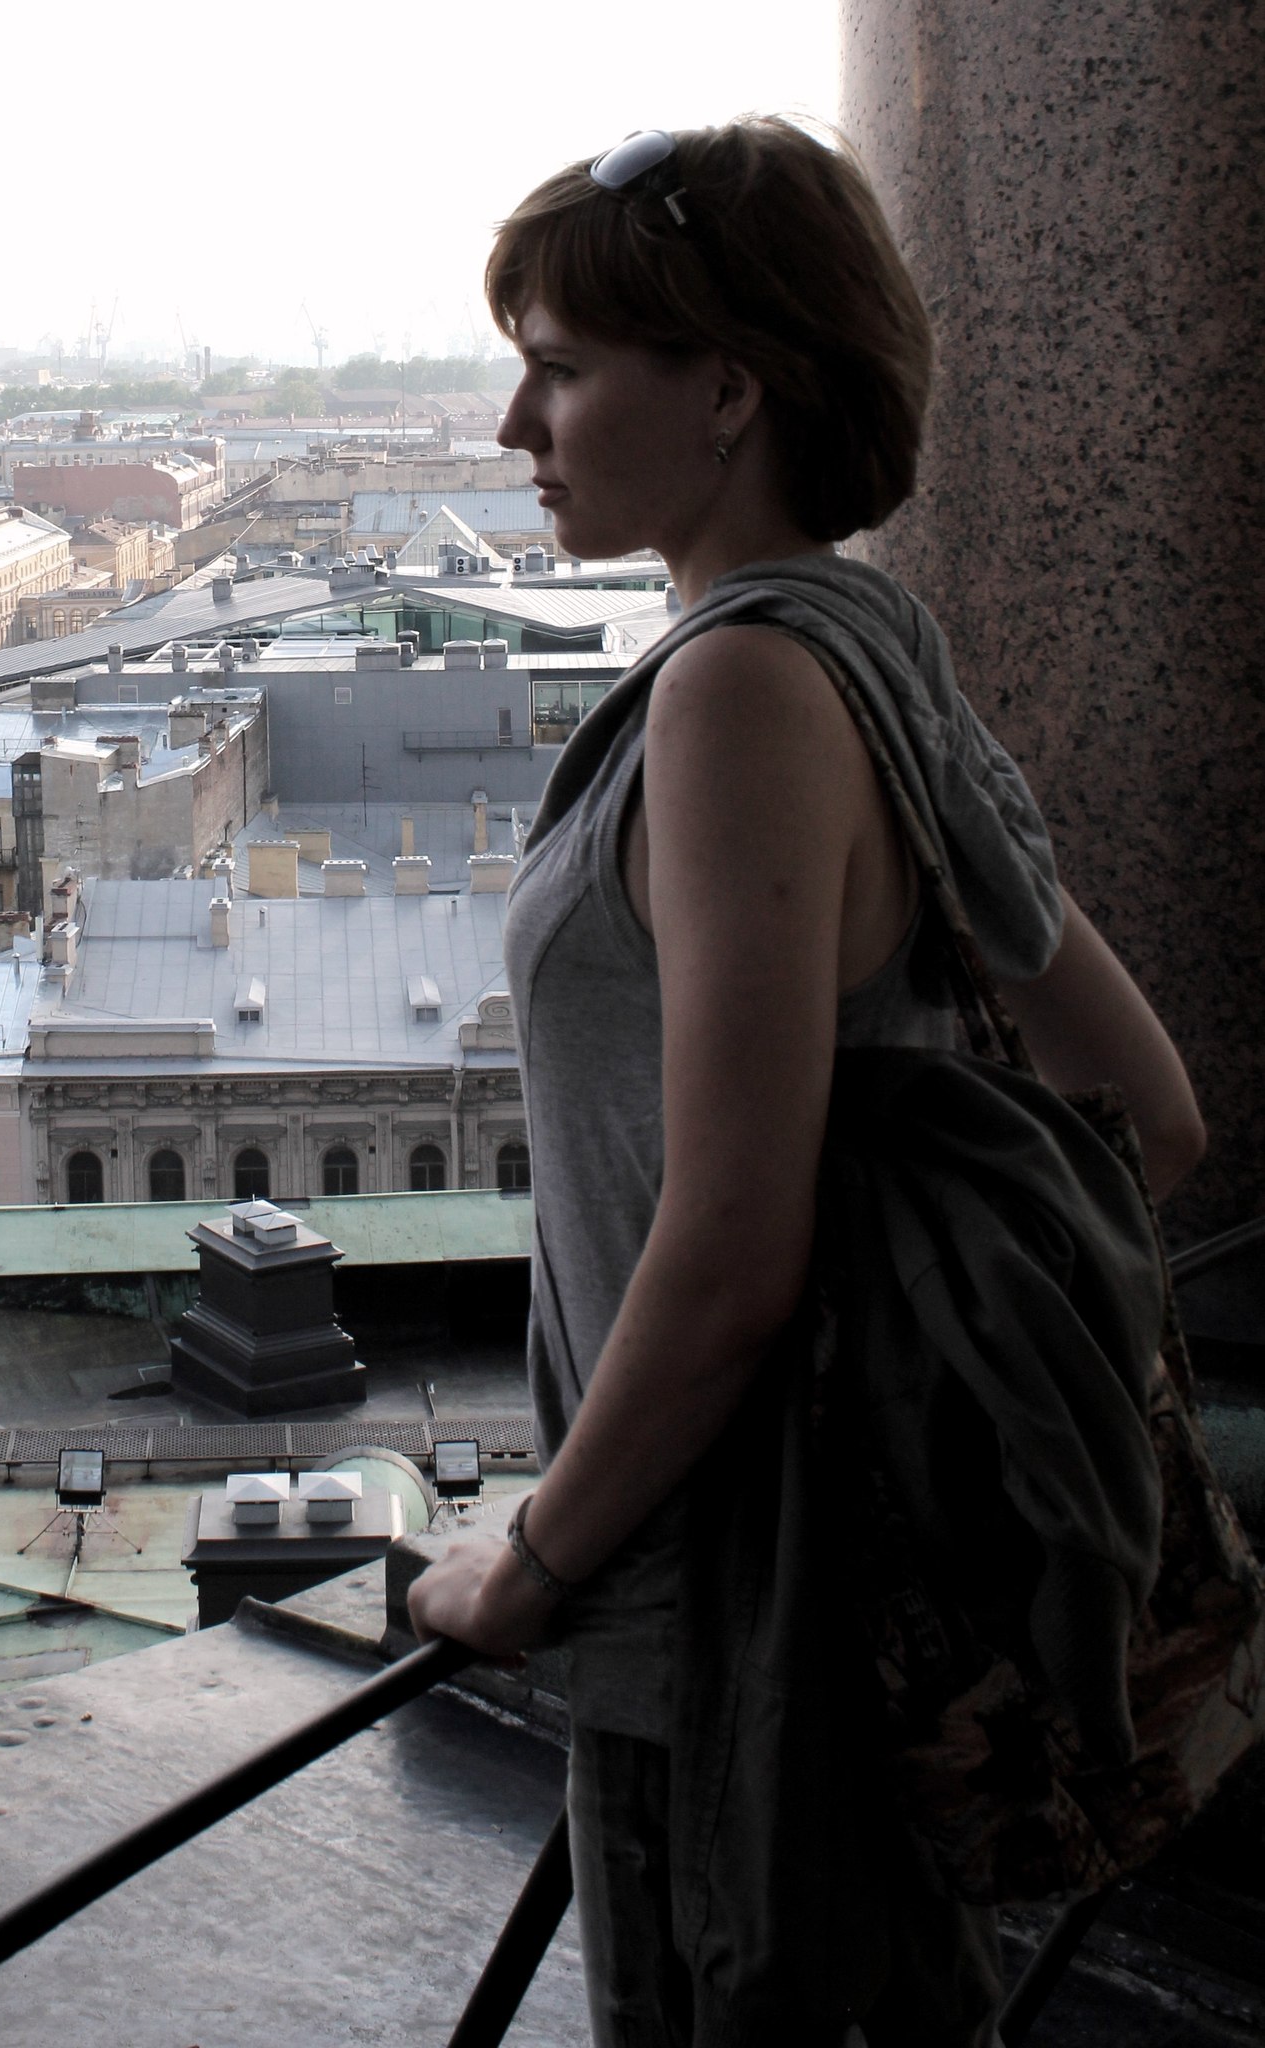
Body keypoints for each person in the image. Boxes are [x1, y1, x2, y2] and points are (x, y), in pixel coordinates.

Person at [405, 117, 1206, 2047]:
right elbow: (1153, 1115)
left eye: (563, 368)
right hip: (866, 1595)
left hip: (727, 1608)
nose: (517, 426)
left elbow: (732, 1240)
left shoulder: (737, 689)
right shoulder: (876, 650)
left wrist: (534, 1562)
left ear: (731, 389)